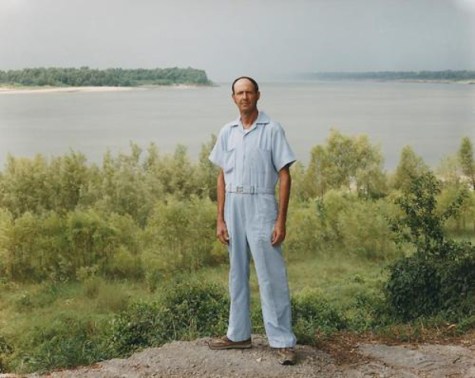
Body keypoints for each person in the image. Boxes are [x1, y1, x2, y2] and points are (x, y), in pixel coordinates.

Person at [207, 76, 297, 365]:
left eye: (249, 92)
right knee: (237, 274)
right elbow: (222, 176)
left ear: (258, 95)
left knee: (271, 275)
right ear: (233, 98)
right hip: (233, 203)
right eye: (239, 93)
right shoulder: (227, 131)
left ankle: (282, 341)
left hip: (261, 203)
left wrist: (280, 220)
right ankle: (238, 335)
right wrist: (220, 218)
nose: (244, 97)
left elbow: (284, 176)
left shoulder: (272, 129)